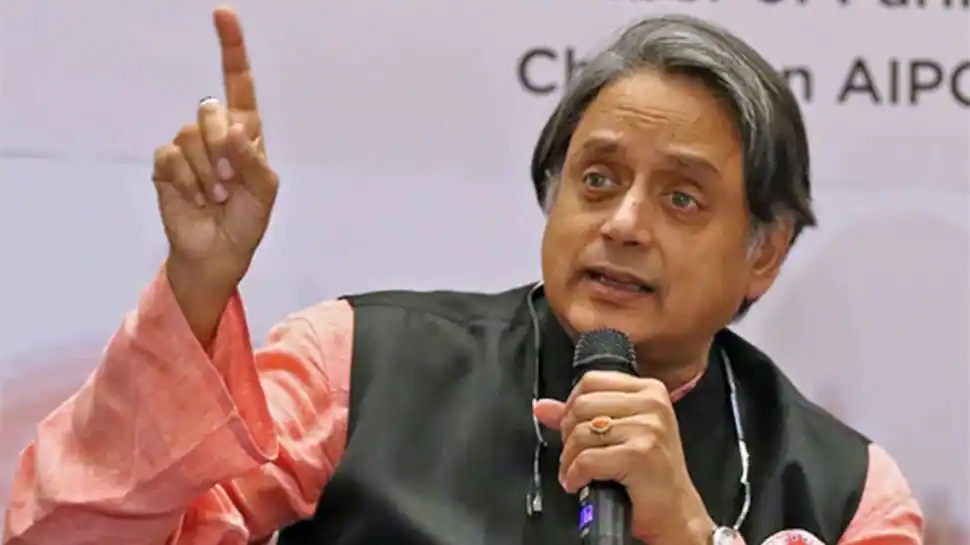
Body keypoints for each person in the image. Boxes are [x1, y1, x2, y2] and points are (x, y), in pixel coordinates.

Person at [2, 7, 923, 545]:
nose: (624, 223)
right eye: (597, 180)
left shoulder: (847, 491)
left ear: (765, 249)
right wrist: (197, 287)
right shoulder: (352, 364)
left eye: (682, 198)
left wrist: (689, 531)